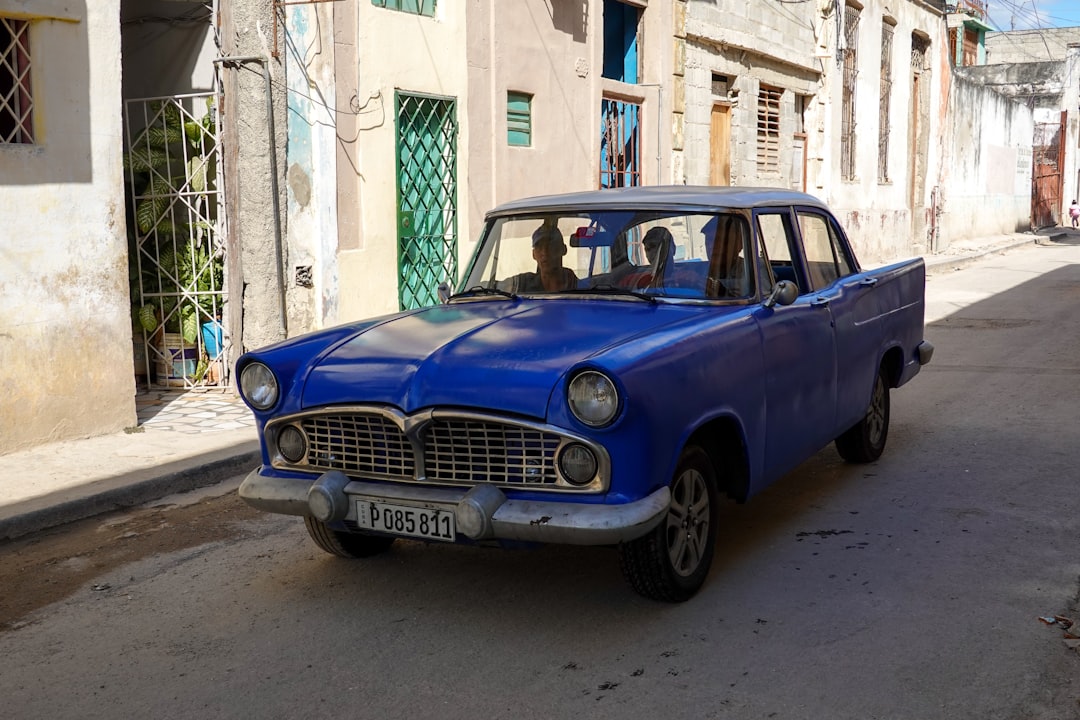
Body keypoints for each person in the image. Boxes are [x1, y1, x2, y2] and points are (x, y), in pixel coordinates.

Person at [509, 222, 579, 292]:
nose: (544, 253)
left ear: (563, 249)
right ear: (533, 254)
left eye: (551, 246)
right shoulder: (522, 284)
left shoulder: (580, 288)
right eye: (539, 247)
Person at [701, 215, 749, 298]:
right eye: (708, 240)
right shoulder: (700, 270)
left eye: (717, 240)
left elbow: (761, 304)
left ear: (738, 244)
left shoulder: (752, 270)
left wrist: (712, 286)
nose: (711, 247)